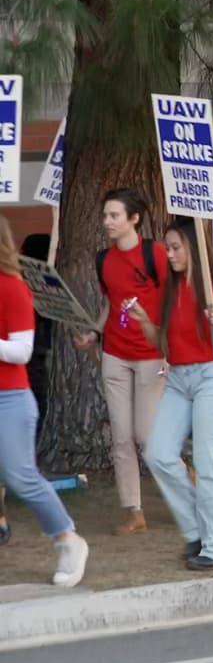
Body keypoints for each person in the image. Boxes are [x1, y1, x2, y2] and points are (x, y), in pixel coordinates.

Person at [128, 217, 213, 570]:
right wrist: (144, 322)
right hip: (179, 377)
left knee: (208, 464)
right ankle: (197, 531)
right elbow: (163, 342)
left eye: (176, 247)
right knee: (158, 453)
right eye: (167, 247)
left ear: (193, 248)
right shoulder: (171, 287)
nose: (170, 254)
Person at [72, 188, 168, 537]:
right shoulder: (104, 260)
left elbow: (173, 299)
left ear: (134, 218)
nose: (107, 222)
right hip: (114, 354)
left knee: (145, 435)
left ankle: (184, 480)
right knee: (121, 438)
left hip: (151, 355)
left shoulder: (155, 254)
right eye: (105, 215)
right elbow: (110, 304)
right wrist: (94, 333)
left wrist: (172, 347)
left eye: (114, 215)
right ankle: (133, 510)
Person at [0, 214, 89, 584]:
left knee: (20, 476)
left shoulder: (12, 288)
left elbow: (22, 351)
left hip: (9, 399)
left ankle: (68, 539)